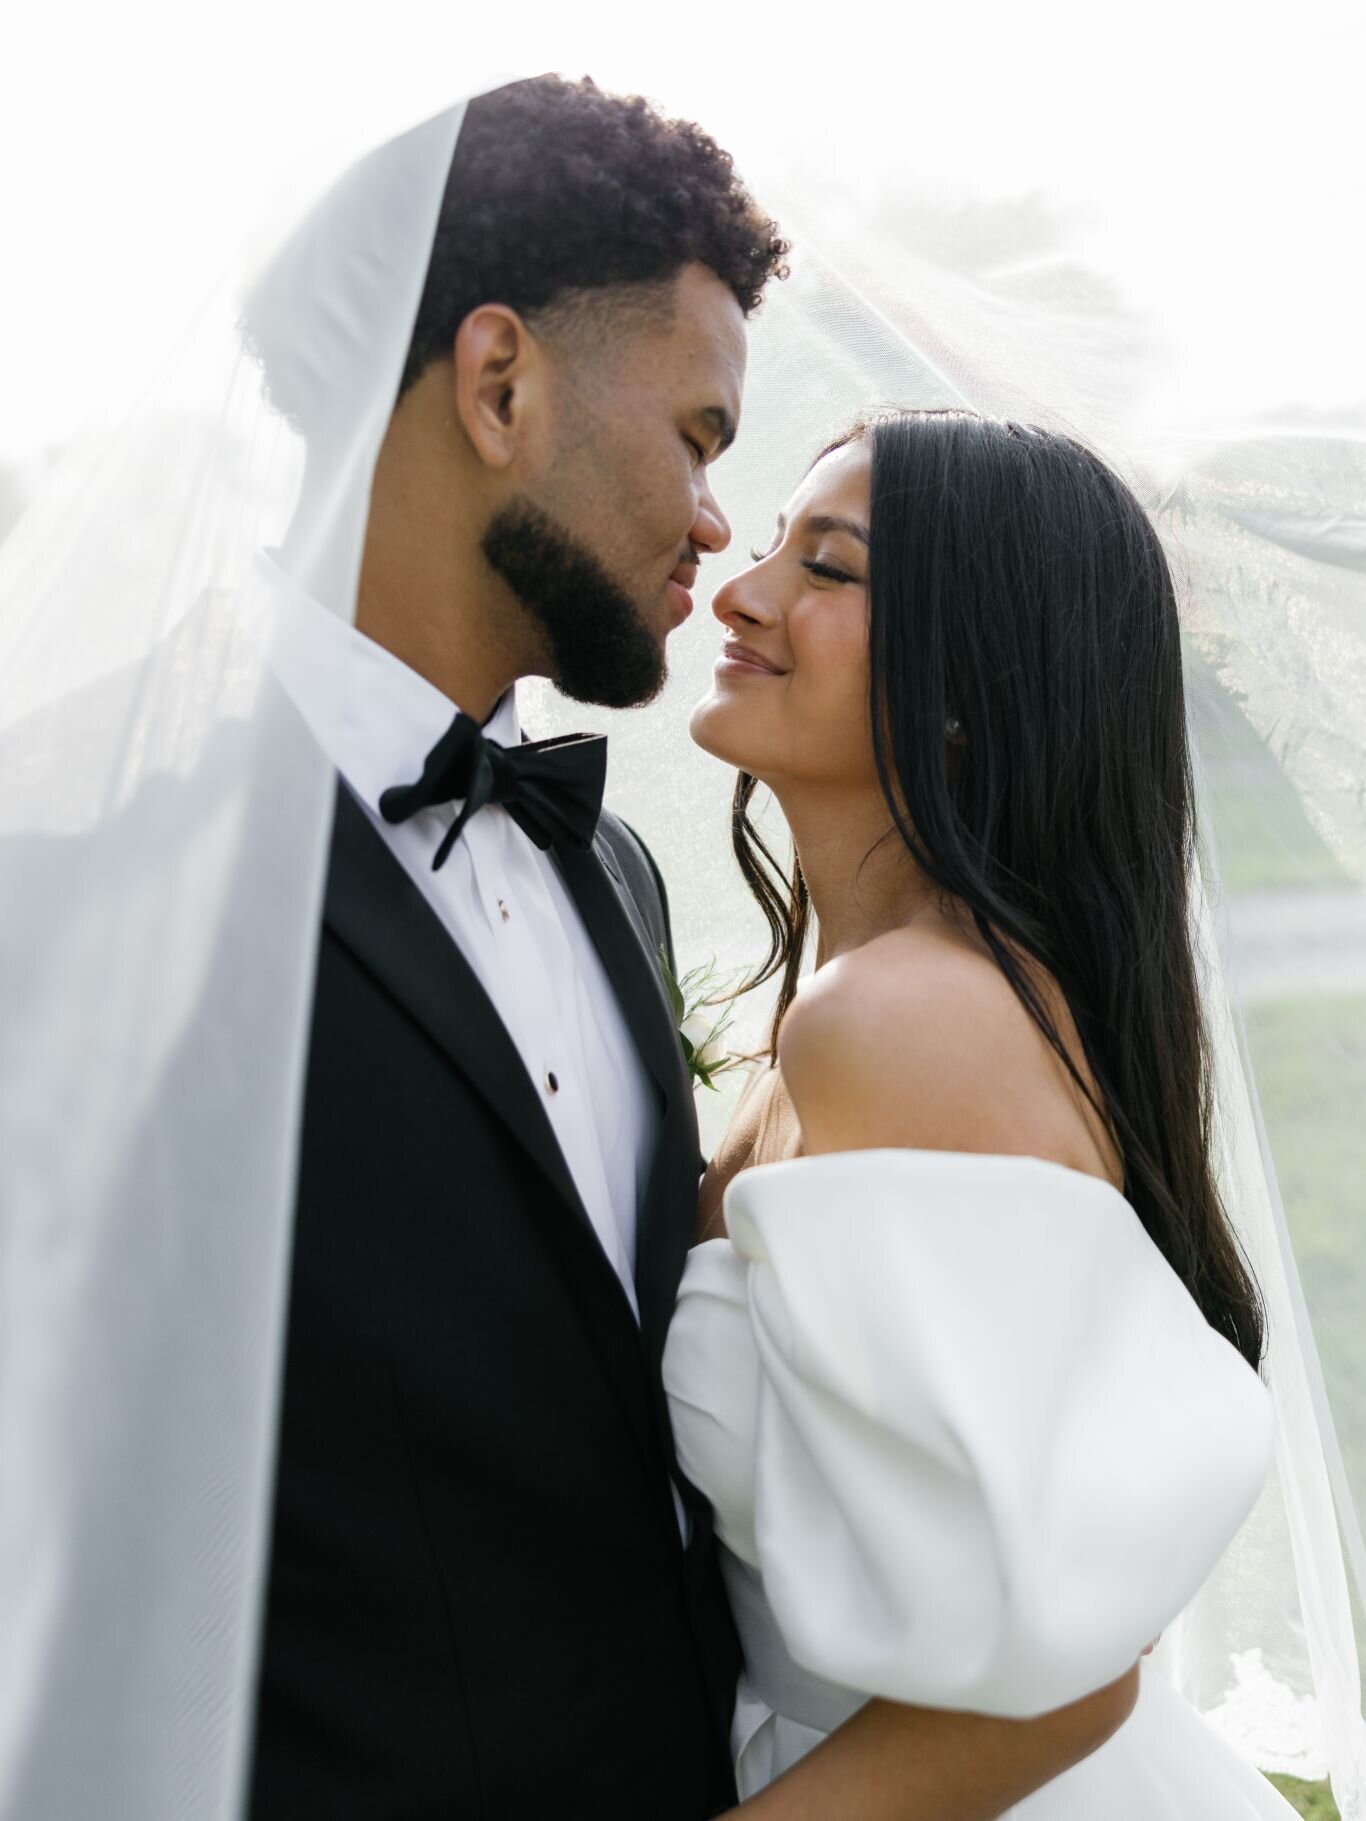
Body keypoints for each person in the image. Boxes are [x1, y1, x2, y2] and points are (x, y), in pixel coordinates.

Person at [245, 76, 787, 1819]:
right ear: (498, 383)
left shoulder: (610, 867)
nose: (718, 518)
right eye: (699, 436)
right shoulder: (94, 862)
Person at [665, 408, 1297, 1817]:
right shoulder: (862, 1008)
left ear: (968, 682)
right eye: (771, 542)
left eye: (826, 568)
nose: (740, 589)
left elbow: (1068, 1676)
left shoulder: (903, 1020)